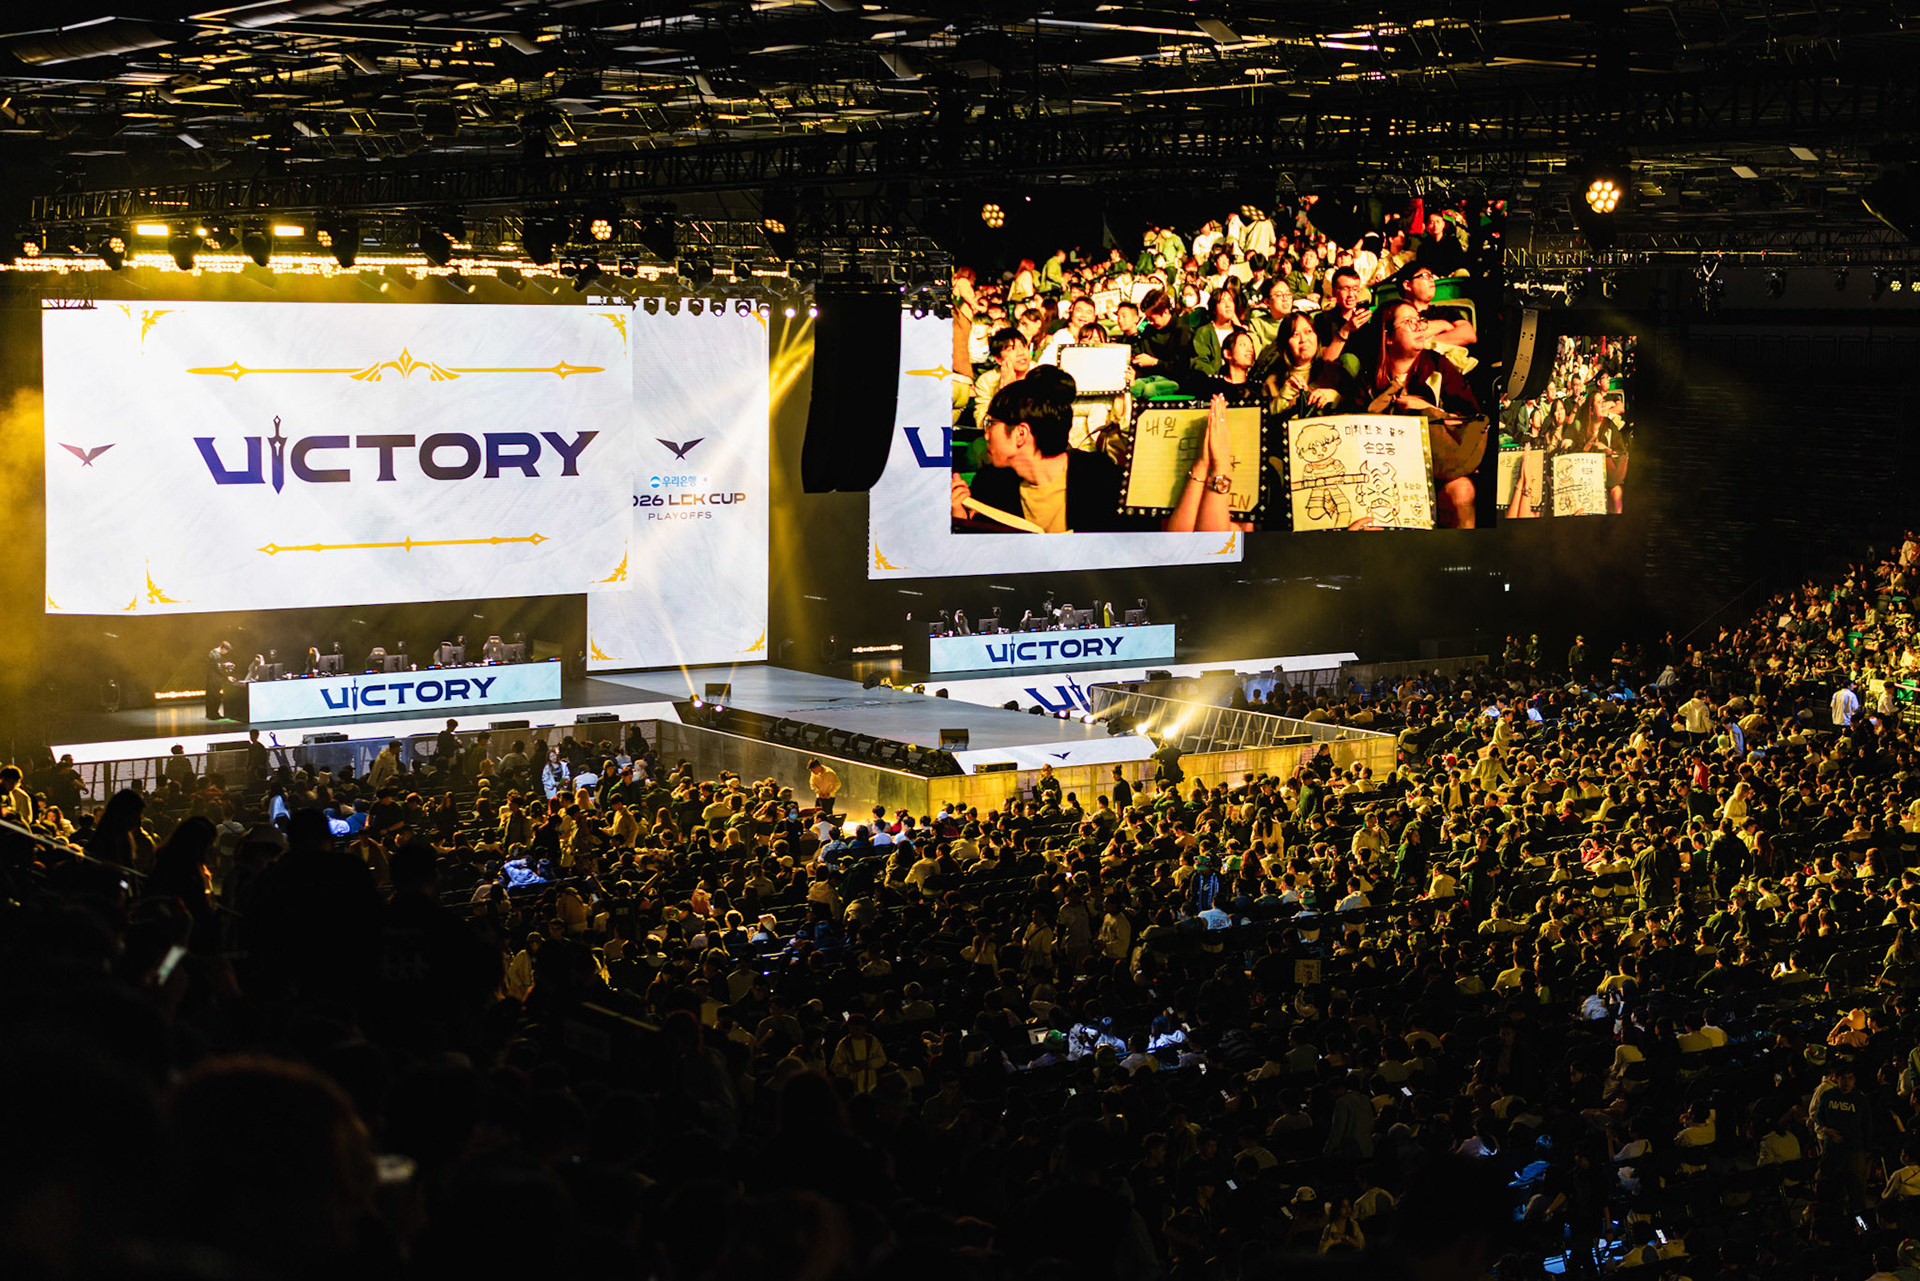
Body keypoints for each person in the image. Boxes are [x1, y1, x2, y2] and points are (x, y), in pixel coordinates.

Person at [1343, 299, 1485, 527]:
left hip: (1437, 468)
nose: (1419, 326)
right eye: (1409, 322)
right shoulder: (1367, 380)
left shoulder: (1439, 366)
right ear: (1387, 337)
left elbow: (1471, 417)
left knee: (1462, 490)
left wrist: (1428, 410)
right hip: (1386, 473)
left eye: (1419, 321)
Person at [951, 366, 1128, 534]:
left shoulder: (1104, 481)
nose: (986, 435)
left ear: (1021, 434)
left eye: (991, 423)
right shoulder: (990, 487)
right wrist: (961, 520)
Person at [204, 640, 232, 720]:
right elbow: (218, 669)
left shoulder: (212, 652)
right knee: (216, 697)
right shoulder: (217, 656)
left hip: (210, 679)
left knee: (210, 697)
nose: (226, 653)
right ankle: (214, 714)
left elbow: (215, 666)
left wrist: (223, 664)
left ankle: (209, 714)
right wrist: (227, 677)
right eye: (226, 651)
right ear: (223, 649)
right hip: (215, 680)